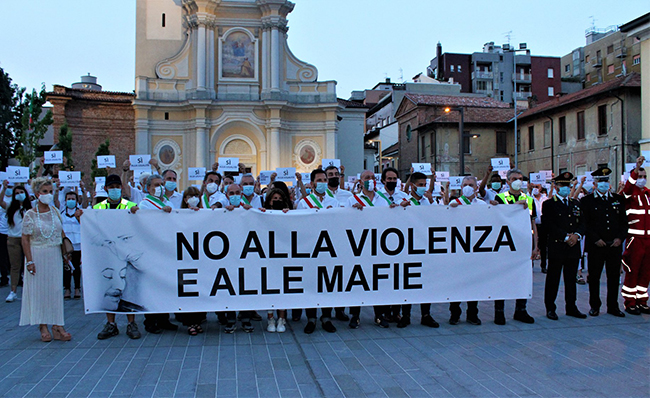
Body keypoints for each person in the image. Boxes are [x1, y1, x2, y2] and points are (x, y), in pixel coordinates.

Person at [346, 170, 400, 329]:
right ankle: (355, 315)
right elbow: (343, 221)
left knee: (378, 280)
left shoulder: (382, 200)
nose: (370, 180)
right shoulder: (351, 200)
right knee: (357, 281)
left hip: (378, 245)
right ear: (360, 182)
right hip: (358, 246)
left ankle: (379, 315)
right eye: (366, 178)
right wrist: (352, 213)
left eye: (372, 178)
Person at [19, 177, 71, 342]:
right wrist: (29, 260)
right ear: (37, 194)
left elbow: (61, 233)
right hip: (37, 254)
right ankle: (42, 325)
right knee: (39, 291)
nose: (48, 195)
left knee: (56, 290)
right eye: (45, 192)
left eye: (50, 192)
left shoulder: (55, 211)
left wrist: (65, 252)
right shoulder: (30, 214)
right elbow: (25, 238)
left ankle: (58, 325)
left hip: (54, 254)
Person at [93, 174, 142, 340]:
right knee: (109, 286)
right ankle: (111, 323)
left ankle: (131, 323)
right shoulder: (98, 207)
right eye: (111, 186)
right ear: (106, 188)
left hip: (125, 254)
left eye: (117, 186)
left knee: (127, 286)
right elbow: (90, 225)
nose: (115, 189)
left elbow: (139, 224)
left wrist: (137, 212)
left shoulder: (130, 205)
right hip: (106, 253)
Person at [393, 172, 442, 329]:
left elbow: (439, 218)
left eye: (424, 184)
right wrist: (400, 209)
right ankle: (405, 315)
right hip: (407, 247)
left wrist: (431, 201)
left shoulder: (429, 202)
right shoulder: (403, 201)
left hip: (425, 247)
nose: (423, 187)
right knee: (408, 282)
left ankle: (426, 315)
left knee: (425, 281)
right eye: (420, 185)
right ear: (412, 185)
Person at [580, 166, 627, 317]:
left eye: (606, 181)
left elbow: (624, 222)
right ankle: (595, 305)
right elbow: (584, 224)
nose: (603, 184)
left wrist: (620, 238)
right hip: (596, 246)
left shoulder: (618, 199)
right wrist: (595, 239)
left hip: (614, 245)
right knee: (594, 277)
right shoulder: (587, 201)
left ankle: (613, 306)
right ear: (594, 183)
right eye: (600, 181)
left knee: (613, 277)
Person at [493, 168, 538, 325]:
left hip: (523, 244)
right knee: (501, 278)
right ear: (508, 181)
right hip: (505, 244)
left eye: (520, 178)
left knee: (523, 277)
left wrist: (536, 246)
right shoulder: (500, 198)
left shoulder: (529, 199)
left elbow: (532, 223)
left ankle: (521, 310)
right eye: (514, 179)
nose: (518, 181)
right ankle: (499, 312)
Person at [297, 169, 339, 334]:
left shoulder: (333, 201)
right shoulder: (304, 202)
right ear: (312, 182)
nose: (322, 183)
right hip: (310, 248)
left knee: (327, 283)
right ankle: (311, 318)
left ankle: (326, 317)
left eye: (324, 180)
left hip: (328, 248)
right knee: (311, 284)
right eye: (319, 180)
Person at [542, 172, 588, 320]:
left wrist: (577, 235)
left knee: (570, 279)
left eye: (568, 185)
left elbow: (582, 223)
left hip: (573, 247)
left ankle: (571, 307)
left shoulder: (575, 203)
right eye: (562, 185)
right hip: (558, 246)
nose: (566, 188)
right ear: (556, 187)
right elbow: (549, 225)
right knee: (553, 279)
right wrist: (566, 236)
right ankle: (550, 307)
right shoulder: (549, 204)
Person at [138, 175, 177, 333]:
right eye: (156, 185)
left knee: (165, 285)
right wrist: (161, 212)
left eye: (161, 184)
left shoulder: (168, 202)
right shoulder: (144, 204)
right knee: (151, 287)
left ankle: (164, 319)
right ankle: (150, 321)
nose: (160, 187)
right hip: (150, 249)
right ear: (148, 188)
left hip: (166, 249)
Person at [447, 176, 486, 326]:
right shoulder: (454, 204)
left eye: (471, 185)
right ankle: (454, 313)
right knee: (456, 282)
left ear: (476, 187)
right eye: (465, 185)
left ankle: (472, 313)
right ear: (461, 187)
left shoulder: (483, 205)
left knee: (473, 282)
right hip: (457, 249)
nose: (468, 187)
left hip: (475, 249)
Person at [222, 183, 256, 333]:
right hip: (229, 255)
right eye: (231, 193)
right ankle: (230, 319)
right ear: (227, 195)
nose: (235, 195)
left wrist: (252, 212)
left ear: (241, 193)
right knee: (230, 288)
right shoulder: (221, 210)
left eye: (237, 192)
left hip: (248, 254)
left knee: (246, 287)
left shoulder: (248, 209)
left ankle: (246, 318)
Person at [174, 187, 207, 336]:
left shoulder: (206, 214)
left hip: (202, 258)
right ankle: (189, 323)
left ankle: (198, 321)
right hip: (185, 259)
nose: (193, 198)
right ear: (185, 199)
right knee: (188, 291)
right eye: (190, 196)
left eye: (196, 195)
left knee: (201, 290)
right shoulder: (177, 214)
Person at [620, 156, 650, 315]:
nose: (642, 179)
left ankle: (642, 301)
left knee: (646, 272)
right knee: (633, 270)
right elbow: (626, 189)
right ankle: (630, 302)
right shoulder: (629, 194)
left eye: (644, 177)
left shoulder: (647, 194)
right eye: (640, 176)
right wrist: (636, 168)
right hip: (635, 240)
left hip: (648, 240)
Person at [260, 188, 292, 333]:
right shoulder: (262, 213)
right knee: (269, 288)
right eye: (275, 199)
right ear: (269, 201)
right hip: (267, 256)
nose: (277, 201)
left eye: (280, 199)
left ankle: (281, 319)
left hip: (284, 255)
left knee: (283, 289)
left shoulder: (289, 213)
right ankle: (270, 318)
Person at [2, 183, 31, 303]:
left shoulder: (31, 207)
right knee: (15, 266)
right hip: (14, 239)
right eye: (17, 193)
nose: (19, 195)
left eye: (21, 192)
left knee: (29, 265)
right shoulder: (11, 207)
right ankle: (13, 291)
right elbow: (0, 202)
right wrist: (3, 188)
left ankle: (29, 291)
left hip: (28, 239)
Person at [61, 190, 83, 300]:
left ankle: (77, 288)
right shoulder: (61, 214)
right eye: (68, 199)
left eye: (73, 199)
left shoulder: (80, 212)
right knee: (66, 267)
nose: (71, 201)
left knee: (76, 267)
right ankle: (67, 289)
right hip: (66, 244)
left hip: (77, 243)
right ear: (65, 201)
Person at [530, 181, 548, 273]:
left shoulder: (545, 198)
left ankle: (543, 265)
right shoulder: (529, 198)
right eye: (533, 186)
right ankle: (531, 264)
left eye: (537, 186)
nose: (535, 188)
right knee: (532, 244)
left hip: (543, 225)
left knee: (543, 245)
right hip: (533, 225)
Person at [0, 181, 11, 287]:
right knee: (2, 256)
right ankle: (4, 277)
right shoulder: (2, 198)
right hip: (2, 232)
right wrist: (3, 188)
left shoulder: (14, 201)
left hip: (13, 233)